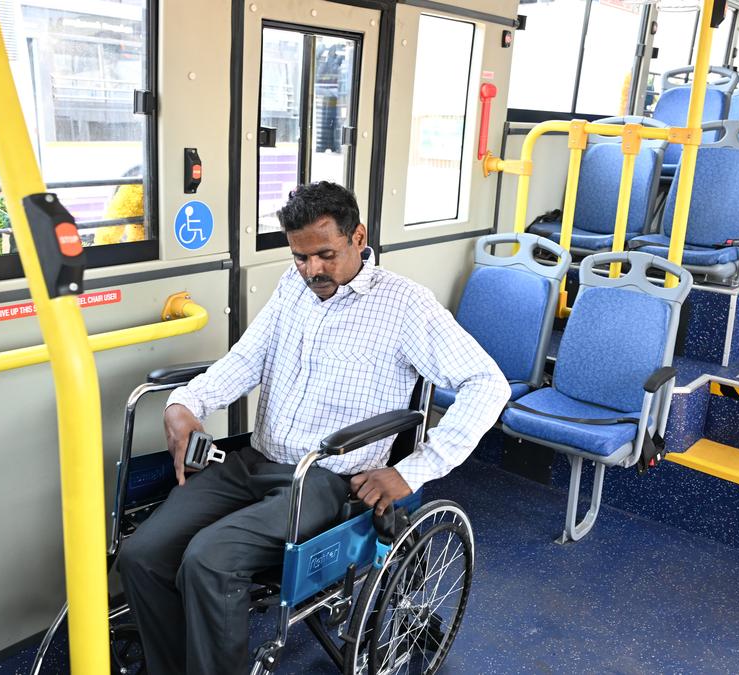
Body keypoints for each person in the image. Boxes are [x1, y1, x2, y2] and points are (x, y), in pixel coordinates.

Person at [117, 181, 510, 674]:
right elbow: (246, 360)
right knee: (141, 554)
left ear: (358, 237)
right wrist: (185, 403)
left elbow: (487, 384)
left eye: (325, 254)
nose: (312, 270)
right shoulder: (292, 286)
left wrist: (413, 471)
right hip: (255, 462)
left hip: (326, 481)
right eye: (301, 257)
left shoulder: (406, 306)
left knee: (208, 560)